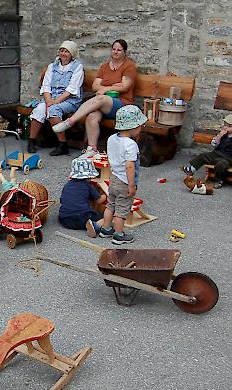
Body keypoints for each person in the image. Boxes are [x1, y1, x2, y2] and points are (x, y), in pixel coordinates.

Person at [53, 40, 137, 156]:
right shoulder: (104, 67)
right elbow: (94, 86)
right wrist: (112, 87)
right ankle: (92, 149)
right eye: (114, 49)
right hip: (102, 104)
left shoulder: (129, 66)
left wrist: (104, 89)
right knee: (92, 117)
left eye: (119, 50)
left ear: (125, 52)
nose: (115, 52)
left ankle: (70, 121)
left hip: (122, 104)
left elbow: (125, 87)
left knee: (100, 98)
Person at [98, 105, 147, 245]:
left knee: (110, 205)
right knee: (122, 210)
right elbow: (130, 166)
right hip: (125, 181)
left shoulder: (112, 139)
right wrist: (131, 185)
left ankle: (106, 229)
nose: (141, 128)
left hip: (113, 178)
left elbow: (110, 157)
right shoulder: (131, 145)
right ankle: (118, 235)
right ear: (133, 127)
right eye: (139, 125)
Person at [27, 40, 84, 156]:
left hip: (70, 100)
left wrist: (55, 102)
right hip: (51, 99)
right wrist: (48, 101)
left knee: (54, 110)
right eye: (61, 50)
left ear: (72, 54)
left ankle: (63, 144)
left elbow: (71, 89)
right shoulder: (52, 66)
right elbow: (46, 86)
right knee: (39, 110)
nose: (63, 53)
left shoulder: (77, 67)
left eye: (66, 51)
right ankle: (31, 141)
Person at [58, 158, 106, 238]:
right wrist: (105, 194)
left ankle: (89, 224)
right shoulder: (87, 185)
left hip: (64, 219)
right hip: (81, 218)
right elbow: (99, 200)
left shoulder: (67, 185)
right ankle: (96, 226)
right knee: (107, 217)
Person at [182, 114, 232, 189]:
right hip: (217, 153)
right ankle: (191, 169)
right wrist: (219, 136)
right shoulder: (223, 135)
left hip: (228, 158)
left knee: (221, 164)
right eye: (225, 125)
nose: (225, 128)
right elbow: (214, 144)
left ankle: (219, 181)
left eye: (229, 126)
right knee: (204, 155)